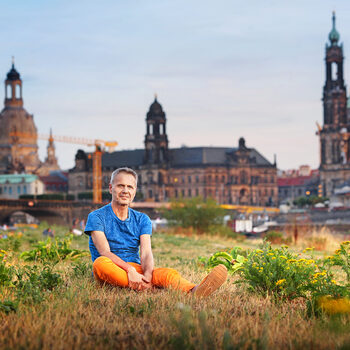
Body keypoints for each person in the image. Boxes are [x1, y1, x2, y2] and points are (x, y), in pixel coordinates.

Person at [84, 167, 227, 296]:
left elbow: (146, 253)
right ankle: (148, 288)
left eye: (130, 187)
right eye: (120, 186)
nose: (125, 191)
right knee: (100, 263)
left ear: (134, 191)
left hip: (137, 270)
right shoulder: (96, 217)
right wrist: (130, 271)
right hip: (111, 268)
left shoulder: (142, 219)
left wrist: (146, 275)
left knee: (167, 274)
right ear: (110, 188)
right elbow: (105, 252)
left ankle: (195, 290)